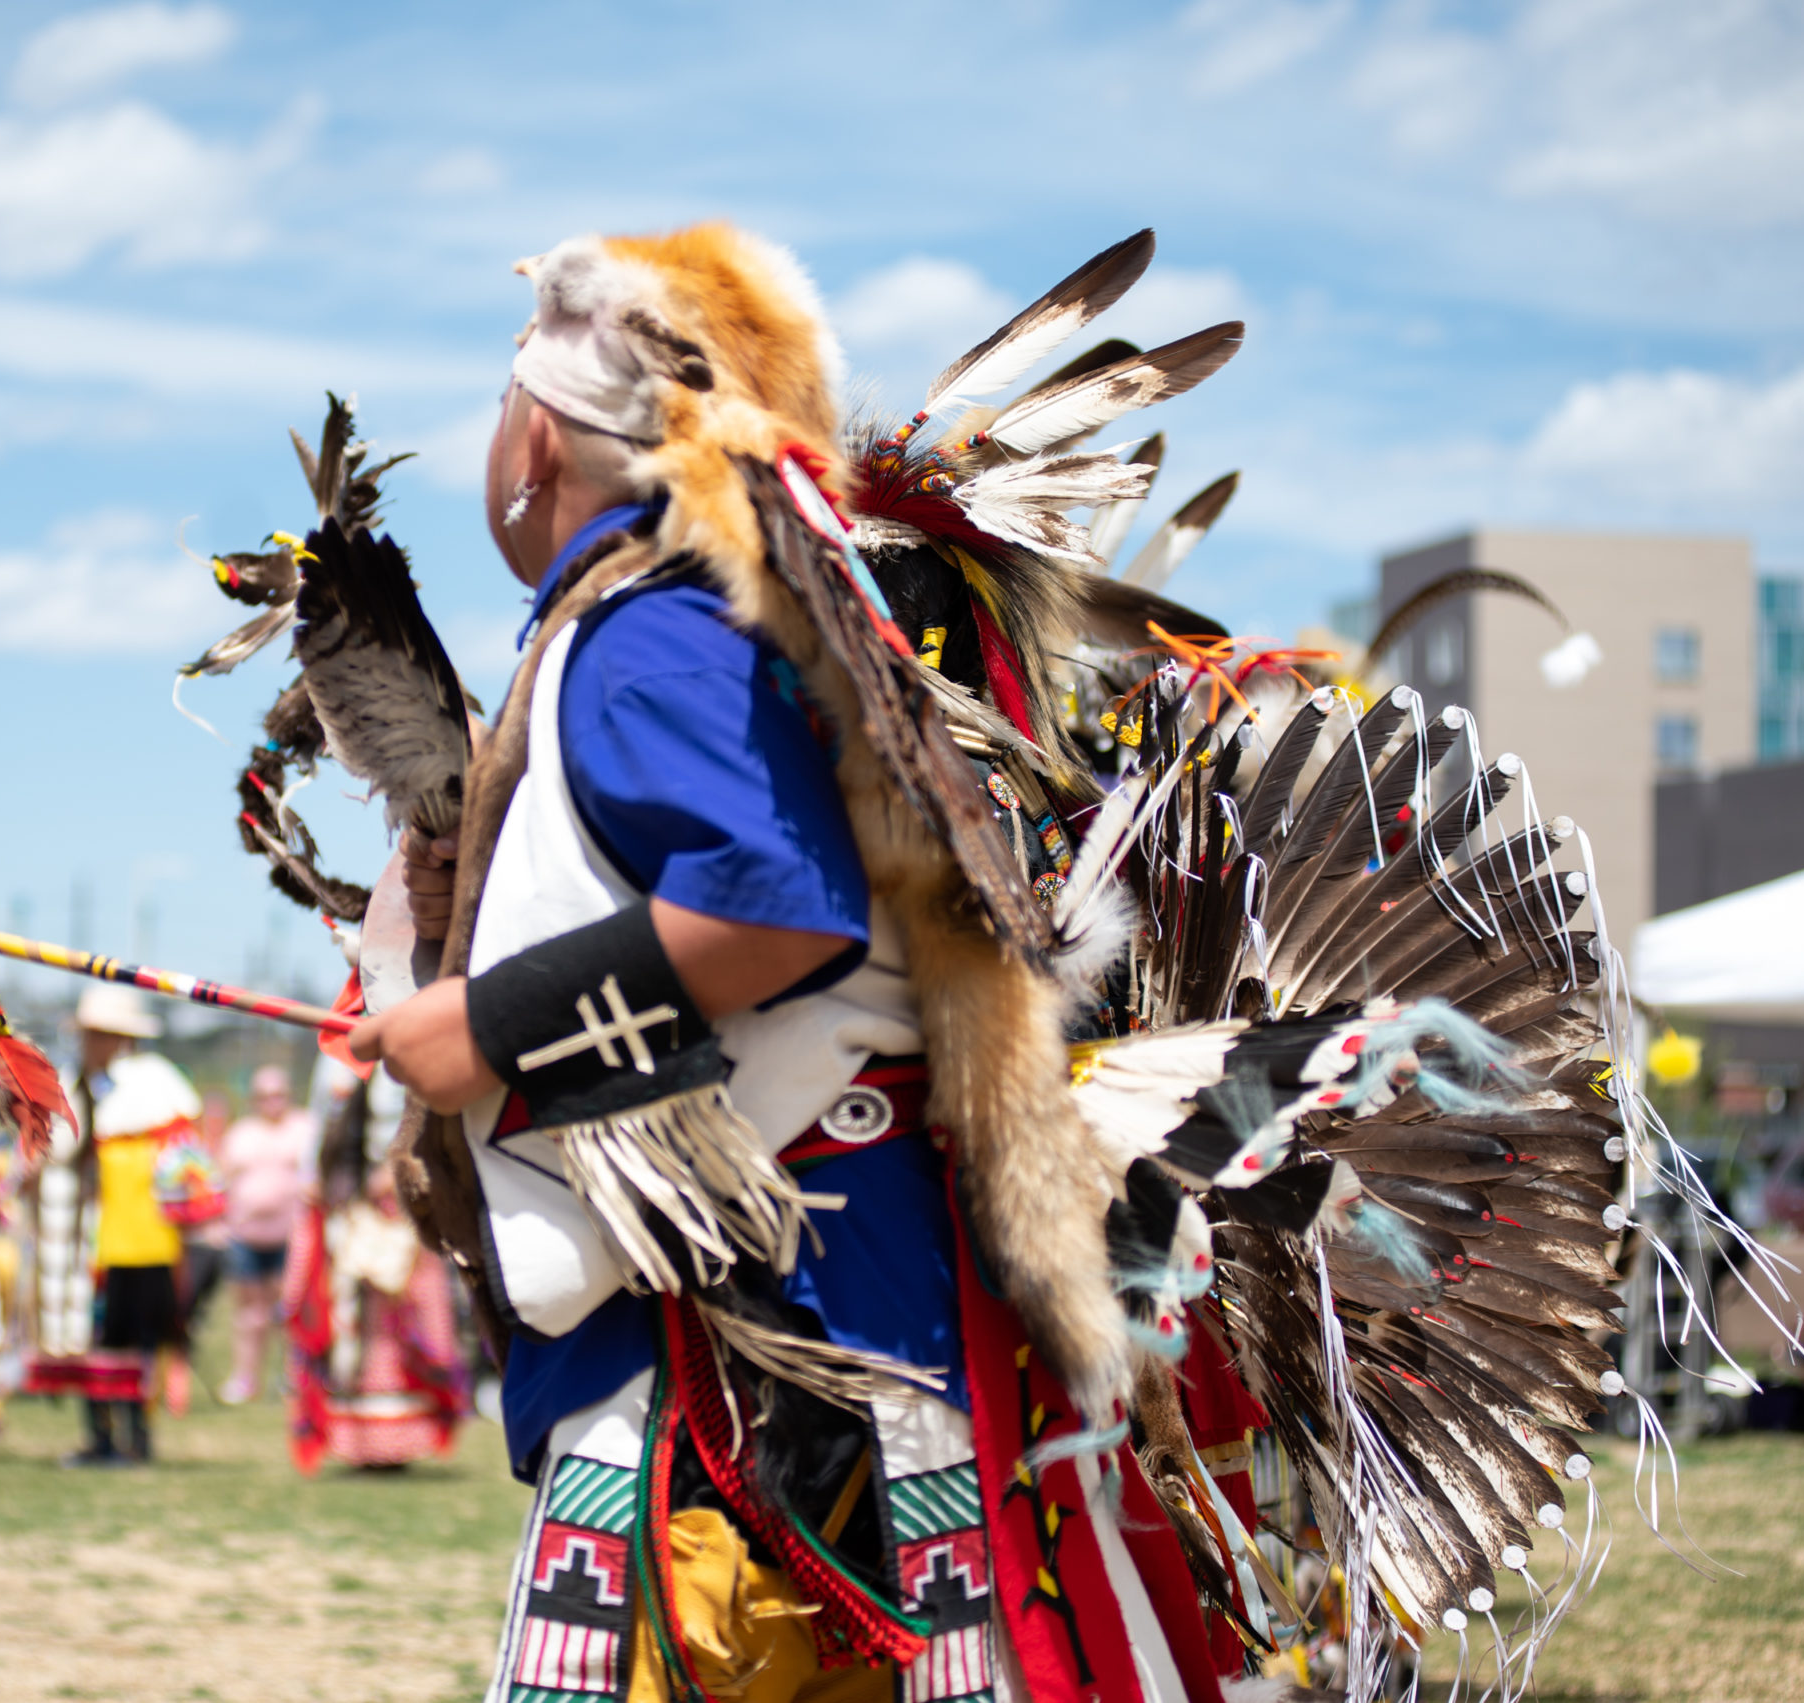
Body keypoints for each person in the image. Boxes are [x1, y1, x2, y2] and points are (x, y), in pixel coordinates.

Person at [351, 226, 1238, 1701]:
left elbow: (777, 907)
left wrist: (487, 1027)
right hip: (828, 1337)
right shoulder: (697, 623)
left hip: (766, 1365)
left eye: (501, 401)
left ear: (543, 441)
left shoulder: (647, 635)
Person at [28, 983, 200, 1467]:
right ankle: (101, 1437)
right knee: (94, 1335)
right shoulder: (76, 1084)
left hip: (141, 1233)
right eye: (88, 1035)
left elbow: (179, 1146)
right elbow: (58, 1148)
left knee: (136, 1340)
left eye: (101, 1035)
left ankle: (137, 1437)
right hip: (88, 1237)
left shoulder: (153, 1083)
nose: (92, 1045)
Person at [282, 1062, 462, 1472]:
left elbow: (428, 1115)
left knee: (402, 1321)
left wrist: (398, 1168)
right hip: (348, 1206)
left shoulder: (408, 1050)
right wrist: (318, 1176)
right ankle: (358, 1440)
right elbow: (322, 1118)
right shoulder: (335, 1057)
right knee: (348, 1321)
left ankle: (396, 1441)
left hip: (399, 1207)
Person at [216, 1064, 313, 1404]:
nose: (272, 1102)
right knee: (249, 1313)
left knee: (291, 1310)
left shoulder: (305, 1129)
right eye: (264, 1096)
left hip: (293, 1236)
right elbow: (220, 1181)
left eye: (278, 1095)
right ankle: (245, 1378)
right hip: (246, 1236)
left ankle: (292, 1378)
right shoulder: (241, 1133)